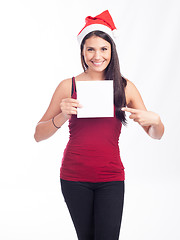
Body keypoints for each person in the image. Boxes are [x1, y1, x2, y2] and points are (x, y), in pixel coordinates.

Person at [34, 10, 164, 240]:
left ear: (112, 51)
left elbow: (156, 135)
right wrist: (62, 116)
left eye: (103, 48)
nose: (97, 55)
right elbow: (38, 135)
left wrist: (156, 121)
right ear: (82, 52)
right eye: (90, 49)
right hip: (74, 177)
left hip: (111, 178)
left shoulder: (125, 87)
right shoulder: (68, 86)